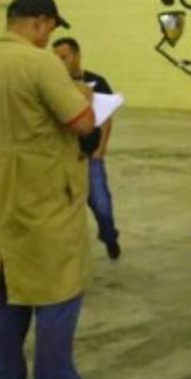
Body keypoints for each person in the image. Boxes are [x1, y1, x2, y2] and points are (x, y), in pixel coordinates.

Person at [0, 0, 110, 379]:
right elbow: (82, 122)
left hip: (2, 191)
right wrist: (82, 94)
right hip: (47, 193)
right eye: (48, 29)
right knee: (59, 294)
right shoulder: (39, 62)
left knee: (8, 292)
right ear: (40, 22)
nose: (49, 38)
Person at [52, 37, 121, 259]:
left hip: (90, 157)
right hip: (64, 158)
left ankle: (109, 236)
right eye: (55, 58)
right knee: (65, 210)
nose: (60, 62)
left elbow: (107, 118)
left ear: (77, 56)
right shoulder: (53, 85)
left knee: (102, 206)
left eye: (64, 57)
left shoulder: (96, 81)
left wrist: (101, 149)